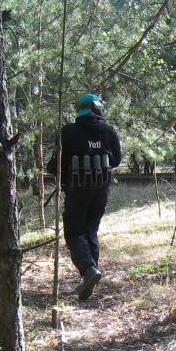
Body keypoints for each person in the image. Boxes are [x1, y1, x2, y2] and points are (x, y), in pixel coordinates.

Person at [48, 93, 122, 300]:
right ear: (97, 108)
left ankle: (89, 270)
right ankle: (90, 276)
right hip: (101, 191)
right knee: (90, 231)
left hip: (77, 191)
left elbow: (55, 166)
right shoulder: (109, 131)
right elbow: (116, 160)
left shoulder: (68, 132)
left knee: (74, 232)